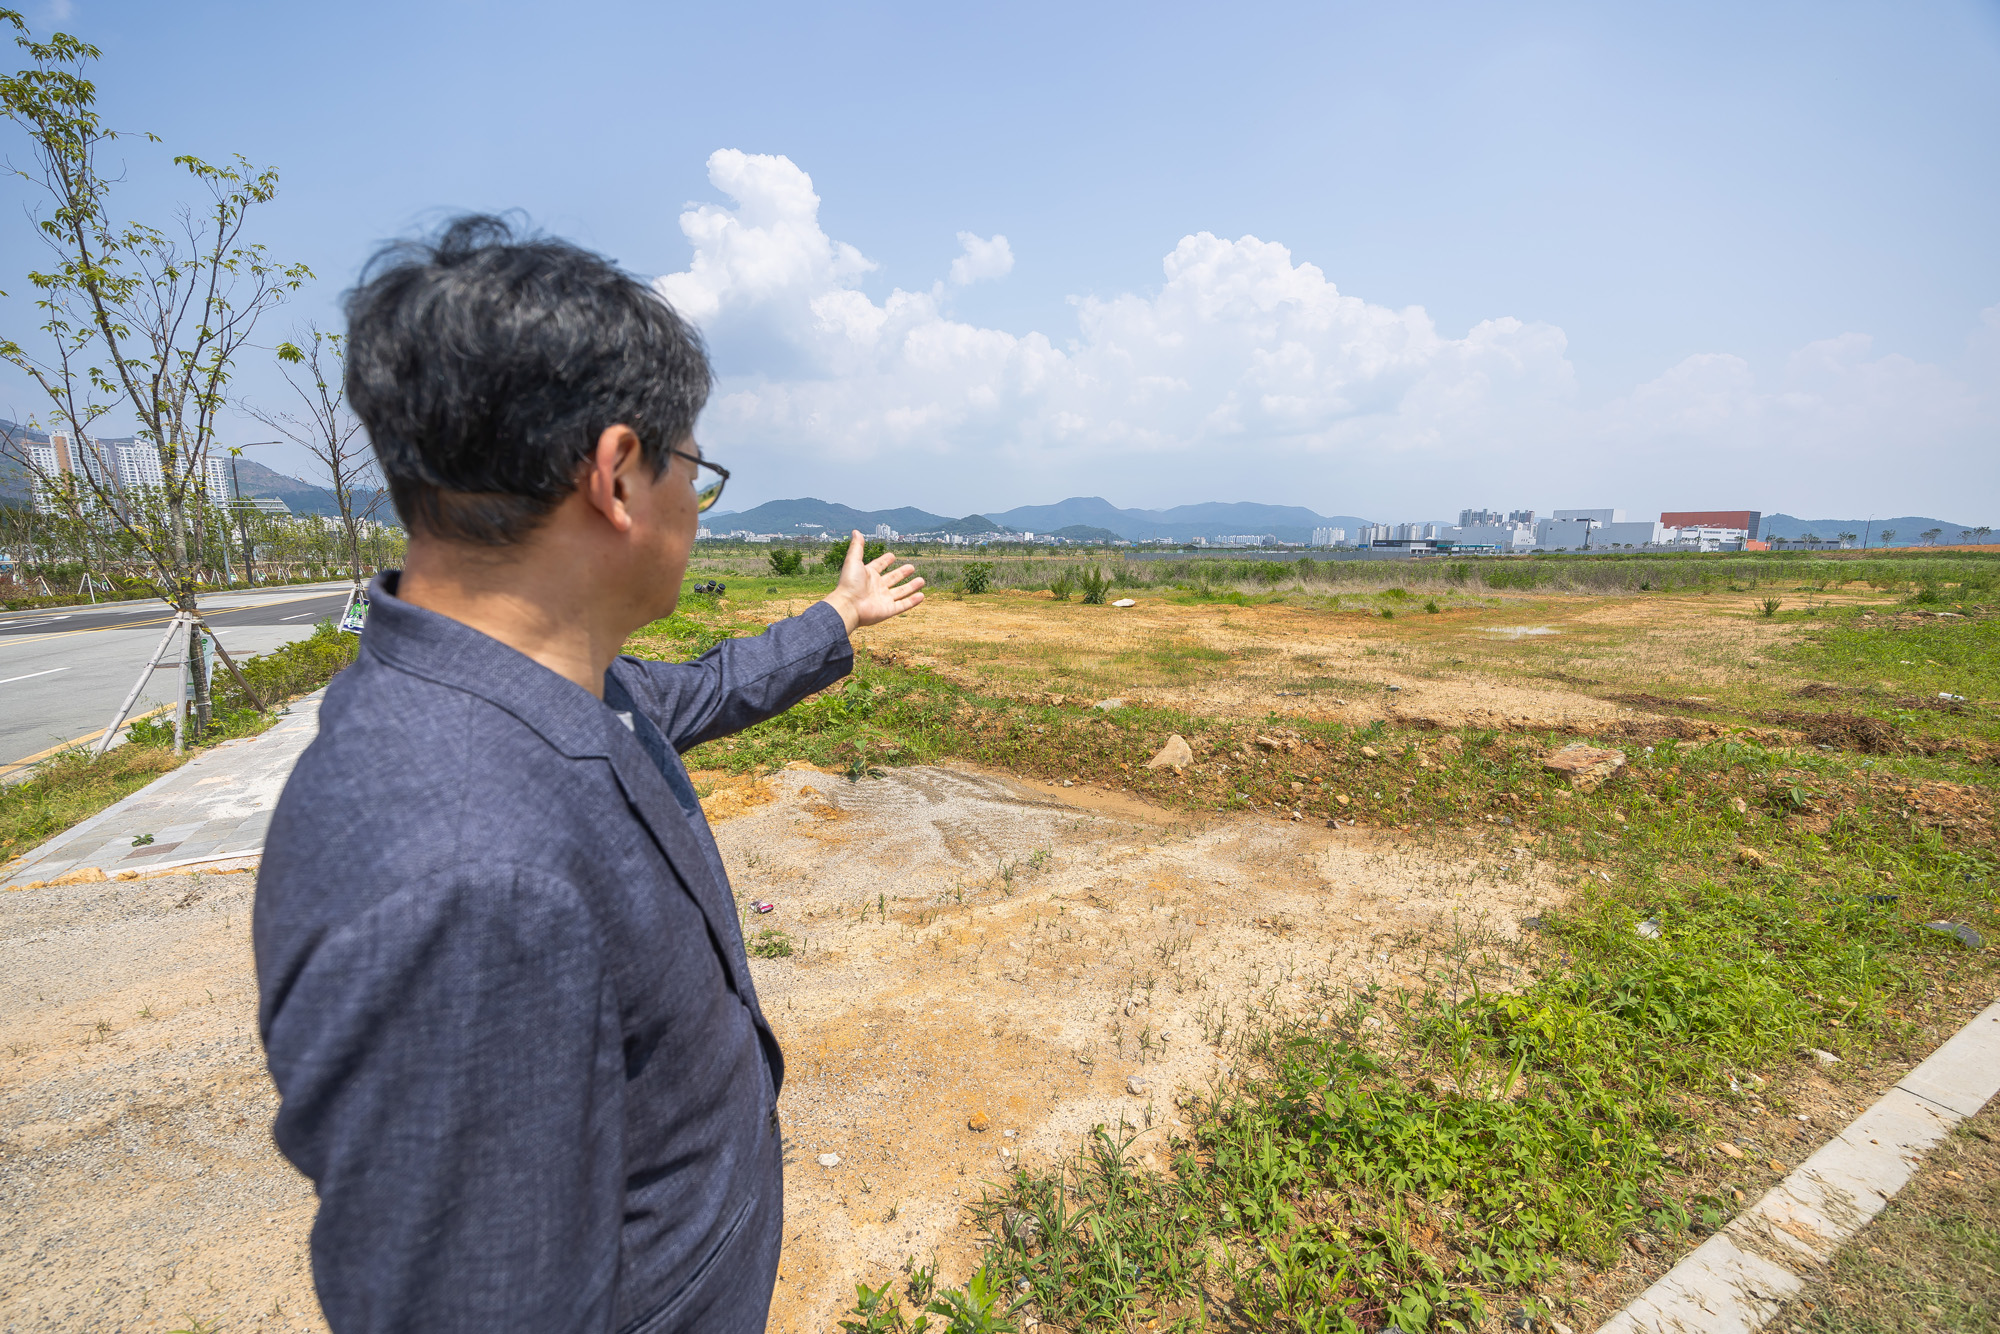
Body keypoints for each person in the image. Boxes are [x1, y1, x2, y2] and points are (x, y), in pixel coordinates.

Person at [253, 216, 923, 1334]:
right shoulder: (464, 871)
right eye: (692, 469)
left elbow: (703, 691)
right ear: (618, 474)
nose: (696, 510)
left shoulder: (547, 688)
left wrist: (833, 619)